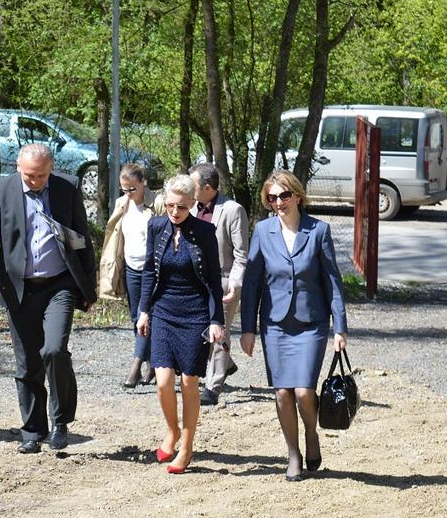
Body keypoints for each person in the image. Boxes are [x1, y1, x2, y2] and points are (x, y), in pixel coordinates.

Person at [0, 143, 96, 454]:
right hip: (19, 288)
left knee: (54, 349)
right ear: (18, 167)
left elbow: (81, 239)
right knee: (27, 362)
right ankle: (32, 430)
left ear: (51, 168)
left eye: (41, 175)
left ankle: (60, 421)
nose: (35, 181)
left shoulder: (67, 188)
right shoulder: (0, 191)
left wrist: (88, 288)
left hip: (59, 284)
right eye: (29, 175)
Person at [240, 170, 347, 482]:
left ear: (298, 196)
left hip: (311, 323)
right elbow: (251, 283)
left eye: (284, 195)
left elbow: (332, 282)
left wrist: (340, 327)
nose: (278, 202)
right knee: (282, 393)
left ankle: (311, 433)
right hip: (275, 324)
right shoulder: (263, 231)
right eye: (272, 197)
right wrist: (247, 328)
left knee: (303, 391)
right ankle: (293, 453)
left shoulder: (319, 231)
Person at [136, 174, 225, 474]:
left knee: (188, 381)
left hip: (195, 313)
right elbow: (149, 271)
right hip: (163, 310)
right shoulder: (156, 226)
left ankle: (186, 446)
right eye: (171, 206)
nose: (175, 212)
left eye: (182, 207)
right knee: (162, 381)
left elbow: (214, 280)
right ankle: (172, 430)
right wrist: (144, 311)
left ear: (193, 204)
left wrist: (216, 320)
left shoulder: (205, 232)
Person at [188, 163, 248, 405]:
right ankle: (226, 363)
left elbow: (241, 254)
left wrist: (235, 282)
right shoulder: (189, 207)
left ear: (207, 187)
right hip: (195, 281)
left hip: (223, 281)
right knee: (198, 329)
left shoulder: (233, 210)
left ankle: (212, 387)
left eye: (192, 184)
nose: (188, 188)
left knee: (218, 331)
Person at [98, 163, 159, 388]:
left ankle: (136, 365)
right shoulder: (121, 204)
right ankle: (151, 364)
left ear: (143, 183)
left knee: (146, 314)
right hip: (131, 268)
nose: (129, 193)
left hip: (153, 270)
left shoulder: (157, 204)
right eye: (124, 189)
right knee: (136, 317)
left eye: (132, 188)